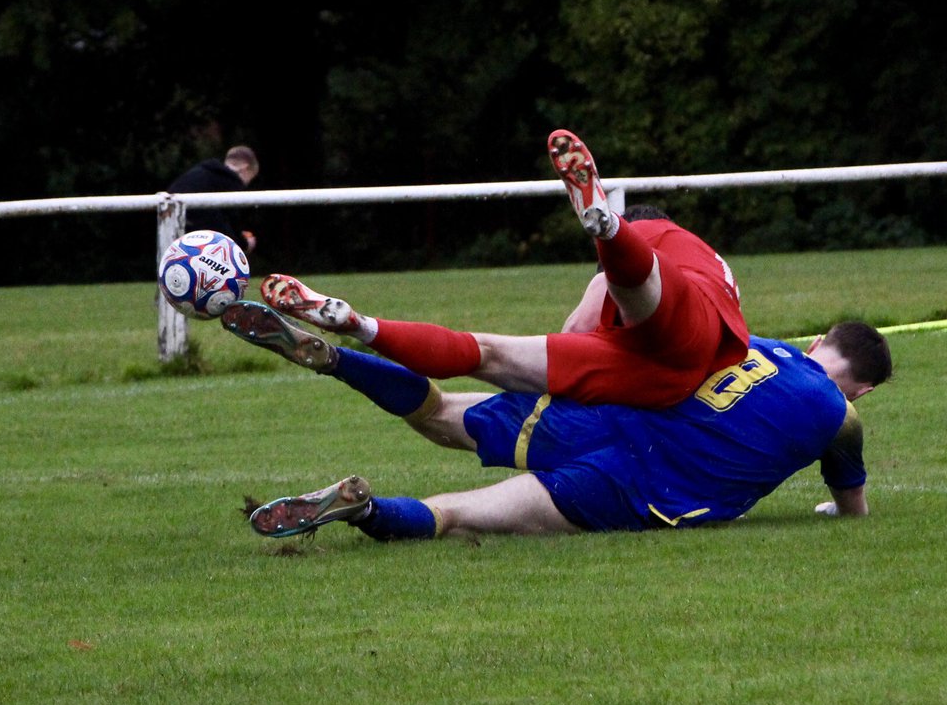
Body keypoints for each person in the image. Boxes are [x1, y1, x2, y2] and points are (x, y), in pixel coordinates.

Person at [220, 302, 890, 540]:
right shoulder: (841, 413)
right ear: (859, 383)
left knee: (441, 414)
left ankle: (336, 359)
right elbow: (851, 507)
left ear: (818, 341)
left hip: (597, 418)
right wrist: (840, 510)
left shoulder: (754, 344)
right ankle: (364, 510)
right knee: (455, 513)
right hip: (635, 488)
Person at [251, 129, 749, 409]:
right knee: (647, 299)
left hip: (644, 352)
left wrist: (567, 366)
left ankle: (362, 326)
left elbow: (578, 327)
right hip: (672, 372)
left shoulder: (666, 235)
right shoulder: (710, 259)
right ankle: (608, 230)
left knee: (483, 353)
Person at [167, 145, 260, 253]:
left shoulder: (202, 173)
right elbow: (229, 226)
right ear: (245, 168)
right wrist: (245, 243)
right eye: (250, 178)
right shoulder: (231, 182)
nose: (245, 184)